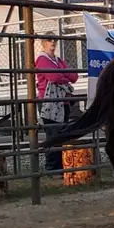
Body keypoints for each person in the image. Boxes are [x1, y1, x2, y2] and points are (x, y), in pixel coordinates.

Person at [36, 36, 79, 173]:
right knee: (53, 134)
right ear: (44, 43)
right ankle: (52, 167)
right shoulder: (42, 59)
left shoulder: (58, 60)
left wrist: (61, 76)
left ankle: (59, 166)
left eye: (54, 40)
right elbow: (53, 77)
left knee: (61, 133)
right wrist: (64, 76)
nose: (53, 42)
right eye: (49, 40)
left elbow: (74, 76)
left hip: (62, 101)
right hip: (49, 102)